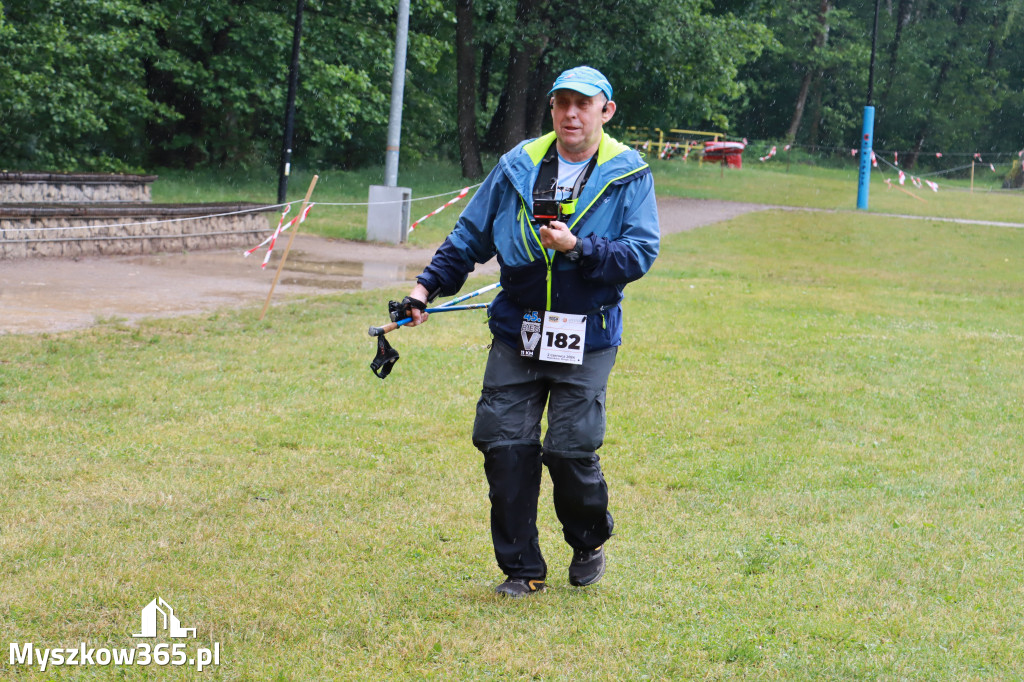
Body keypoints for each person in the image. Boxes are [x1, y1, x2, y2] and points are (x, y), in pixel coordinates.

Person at [400, 65, 660, 597]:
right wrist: (424, 291)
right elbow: (469, 235)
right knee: (504, 445)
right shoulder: (517, 166)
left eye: (583, 104)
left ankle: (588, 540)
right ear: (551, 108)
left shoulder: (628, 174)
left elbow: (639, 252)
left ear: (605, 112)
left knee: (569, 449)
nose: (571, 113)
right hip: (518, 326)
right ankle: (522, 569)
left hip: (587, 331)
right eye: (562, 102)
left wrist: (579, 248)